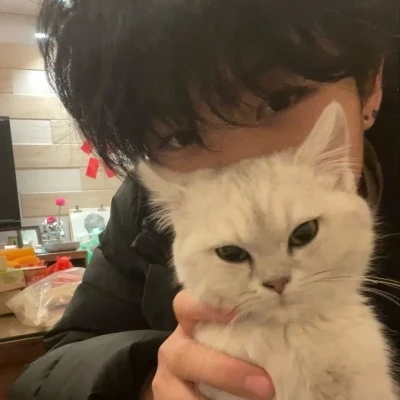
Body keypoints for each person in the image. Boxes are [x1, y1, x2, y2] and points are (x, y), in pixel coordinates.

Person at [10, 0, 399, 399]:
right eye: (181, 135)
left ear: (371, 84)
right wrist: (147, 380)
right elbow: (51, 367)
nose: (240, 159)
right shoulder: (145, 207)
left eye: (279, 100)